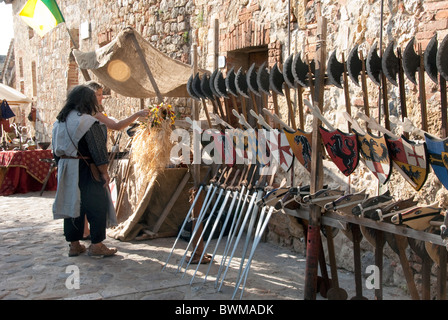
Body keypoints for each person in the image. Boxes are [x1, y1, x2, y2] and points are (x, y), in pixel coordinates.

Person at [52, 84, 117, 258]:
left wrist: (61, 167)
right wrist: (104, 171)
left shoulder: (59, 121)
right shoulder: (87, 121)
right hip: (87, 169)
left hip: (66, 167)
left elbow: (55, 149)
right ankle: (96, 244)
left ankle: (74, 244)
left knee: (72, 204)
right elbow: (97, 149)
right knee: (96, 204)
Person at [81, 81, 149, 240]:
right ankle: (91, 235)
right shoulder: (93, 114)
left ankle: (85, 231)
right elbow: (117, 125)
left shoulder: (85, 113)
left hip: (86, 160)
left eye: (101, 94)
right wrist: (137, 114)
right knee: (93, 199)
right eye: (98, 95)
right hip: (91, 161)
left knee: (84, 198)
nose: (101, 98)